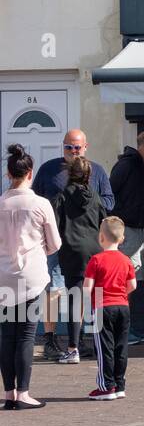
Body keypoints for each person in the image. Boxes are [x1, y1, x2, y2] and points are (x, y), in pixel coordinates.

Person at [33, 129, 113, 361]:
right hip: (56, 242)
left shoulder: (97, 170)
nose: (73, 151)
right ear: (63, 147)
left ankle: (79, 343)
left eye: (77, 147)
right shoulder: (48, 169)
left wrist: (84, 205)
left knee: (84, 291)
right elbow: (37, 200)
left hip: (83, 241)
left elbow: (109, 201)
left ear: (85, 147)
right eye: (69, 147)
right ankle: (50, 339)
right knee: (54, 290)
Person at [0, 144, 60, 410]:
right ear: (30, 174)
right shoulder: (41, 204)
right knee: (26, 335)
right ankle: (23, 392)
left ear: (8, 173)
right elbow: (55, 243)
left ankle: (10, 392)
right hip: (32, 276)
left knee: (6, 336)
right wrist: (40, 251)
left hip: (3, 277)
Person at [51, 156, 108, 364]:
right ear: (89, 175)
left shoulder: (62, 196)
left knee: (75, 300)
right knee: (97, 298)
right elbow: (103, 221)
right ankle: (100, 343)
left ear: (69, 173)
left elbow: (55, 225)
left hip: (72, 252)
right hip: (95, 251)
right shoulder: (95, 196)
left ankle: (73, 349)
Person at [110, 130, 144, 346]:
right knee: (123, 281)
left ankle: (127, 327)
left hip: (137, 231)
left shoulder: (143, 169)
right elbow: (109, 195)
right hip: (127, 231)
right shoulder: (128, 165)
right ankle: (121, 331)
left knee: (132, 281)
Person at [83, 217, 136, 400]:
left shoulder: (96, 260)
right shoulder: (126, 260)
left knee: (104, 347)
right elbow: (133, 285)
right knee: (121, 347)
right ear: (122, 238)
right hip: (123, 306)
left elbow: (87, 287)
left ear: (101, 237)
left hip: (101, 306)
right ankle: (120, 385)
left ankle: (106, 386)